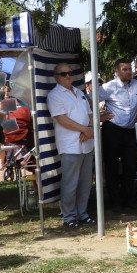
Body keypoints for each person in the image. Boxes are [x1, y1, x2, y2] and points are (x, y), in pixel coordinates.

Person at [100, 59, 137, 211]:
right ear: (117, 71)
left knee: (131, 165)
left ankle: (127, 198)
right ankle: (114, 201)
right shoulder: (109, 87)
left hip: (130, 130)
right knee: (111, 166)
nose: (128, 72)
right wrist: (97, 117)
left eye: (129, 69)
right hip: (112, 129)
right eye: (124, 69)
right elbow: (88, 99)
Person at [47, 62, 95, 228]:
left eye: (70, 73)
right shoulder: (54, 95)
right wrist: (84, 129)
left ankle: (82, 213)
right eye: (64, 74)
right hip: (70, 144)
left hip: (86, 143)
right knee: (70, 183)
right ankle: (69, 216)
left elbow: (89, 114)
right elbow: (61, 118)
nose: (68, 76)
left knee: (85, 182)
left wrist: (88, 129)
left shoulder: (80, 92)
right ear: (56, 77)